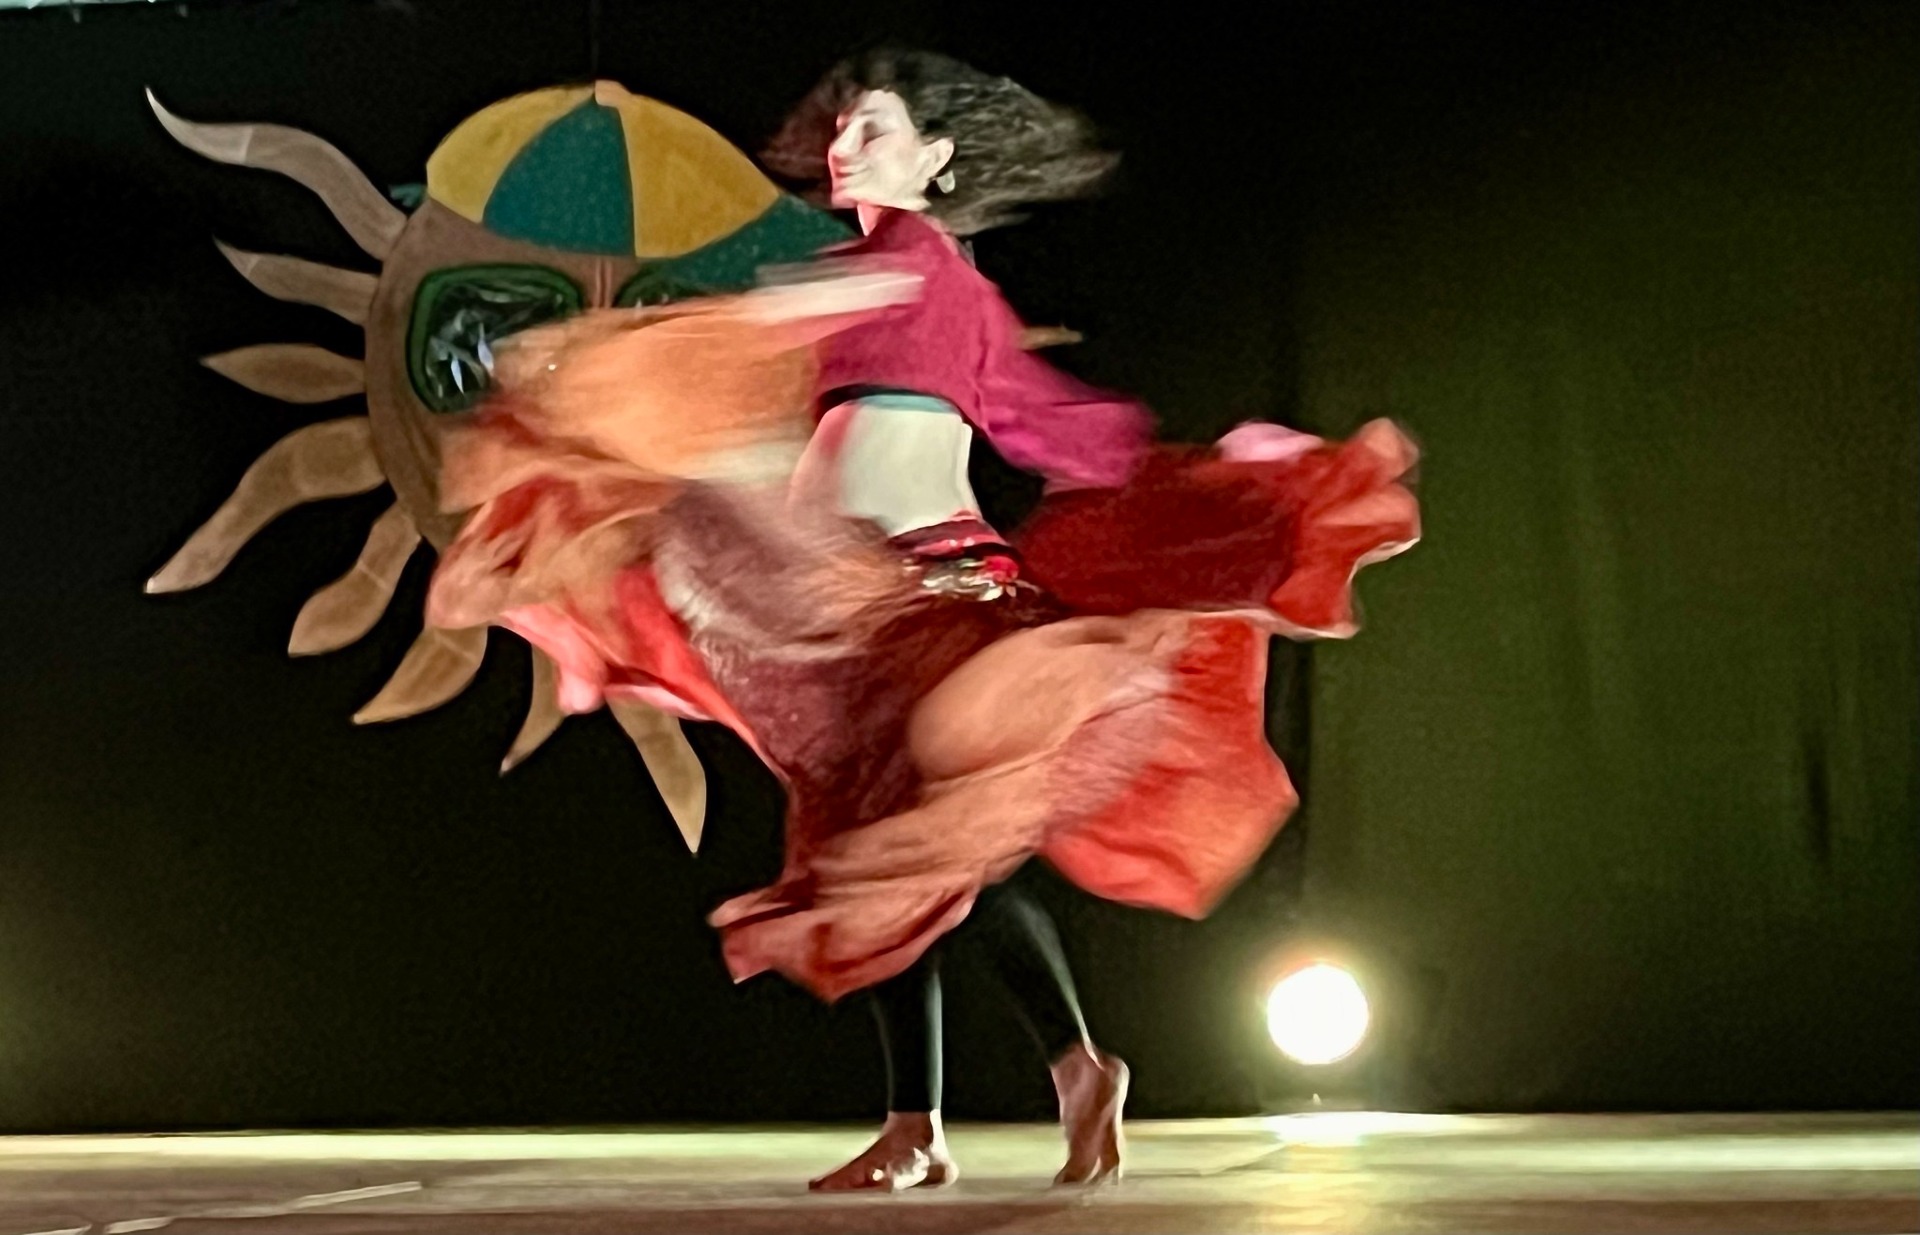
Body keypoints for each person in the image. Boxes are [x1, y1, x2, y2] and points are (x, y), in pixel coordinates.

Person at [423, 47, 1419, 1192]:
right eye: (842, 130)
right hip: (855, 605)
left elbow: (916, 357)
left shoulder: (920, 264)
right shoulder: (905, 285)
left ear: (936, 158)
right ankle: (943, 1116)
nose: (846, 147)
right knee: (878, 861)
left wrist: (609, 371)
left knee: (924, 853)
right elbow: (1027, 410)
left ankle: (1043, 1077)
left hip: (935, 595)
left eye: (877, 130)